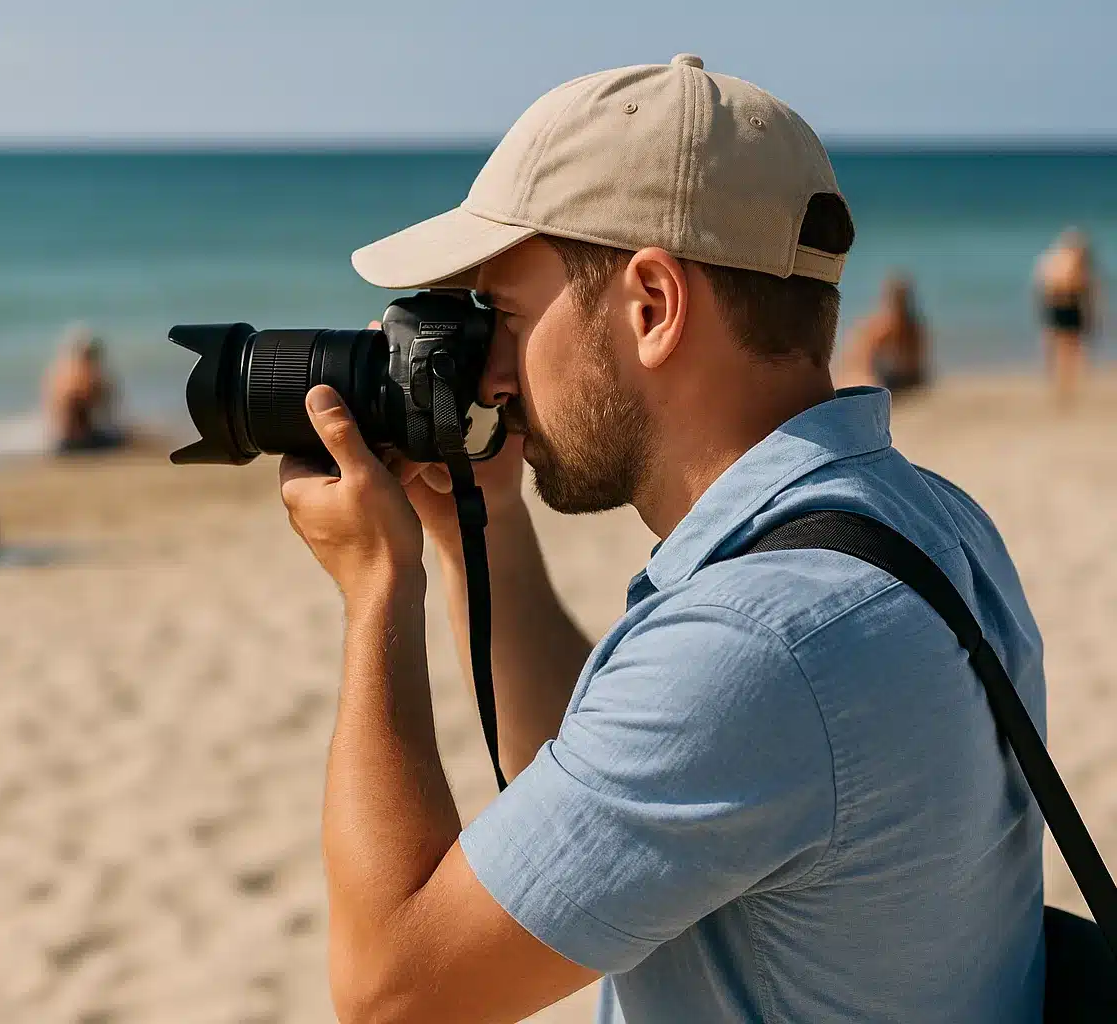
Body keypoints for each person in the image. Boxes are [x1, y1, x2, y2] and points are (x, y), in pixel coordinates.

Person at [278, 55, 1045, 1023]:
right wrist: (487, 528)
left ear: (652, 306)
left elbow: (394, 989)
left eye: (506, 316)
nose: (493, 374)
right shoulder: (930, 524)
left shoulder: (760, 645)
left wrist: (376, 587)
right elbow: (631, 791)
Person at [1035, 229, 1101, 405]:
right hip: (1061, 304)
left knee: (1068, 347)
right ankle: (1060, 383)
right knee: (1060, 346)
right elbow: (1045, 285)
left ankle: (1064, 384)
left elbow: (1088, 289)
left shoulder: (1074, 263)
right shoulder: (1058, 260)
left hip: (1067, 305)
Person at [836, 273, 929, 394]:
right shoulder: (889, 327)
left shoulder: (907, 328)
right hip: (895, 378)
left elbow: (917, 363)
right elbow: (862, 357)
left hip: (901, 379)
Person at [43, 324, 124, 453]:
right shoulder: (87, 379)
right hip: (78, 442)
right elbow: (107, 413)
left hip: (59, 442)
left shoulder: (59, 374)